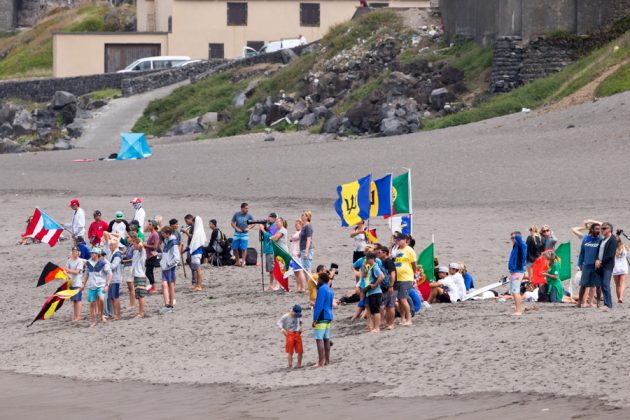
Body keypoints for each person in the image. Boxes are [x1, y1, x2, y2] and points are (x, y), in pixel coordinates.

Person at [82, 247, 112, 327]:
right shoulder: (88, 263)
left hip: (101, 284)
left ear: (97, 254)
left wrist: (107, 285)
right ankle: (93, 320)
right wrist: (83, 284)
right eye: (91, 253)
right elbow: (86, 275)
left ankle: (102, 315)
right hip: (91, 285)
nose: (91, 254)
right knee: (92, 303)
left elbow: (110, 274)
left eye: (93, 253)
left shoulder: (103, 263)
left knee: (101, 299)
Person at [393, 233, 416, 326]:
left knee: (403, 299)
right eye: (396, 240)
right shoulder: (398, 250)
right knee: (399, 299)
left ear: (405, 240)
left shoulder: (409, 250)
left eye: (399, 239)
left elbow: (414, 264)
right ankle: (402, 318)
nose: (397, 241)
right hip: (398, 278)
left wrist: (413, 276)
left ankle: (408, 318)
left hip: (406, 278)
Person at [577, 223, 602, 308]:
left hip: (597, 266)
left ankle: (598, 303)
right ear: (591, 230)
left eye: (599, 229)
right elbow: (582, 252)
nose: (598, 230)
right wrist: (579, 264)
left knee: (598, 285)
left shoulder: (601, 240)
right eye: (596, 229)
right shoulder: (585, 239)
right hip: (586, 265)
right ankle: (579, 303)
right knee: (583, 285)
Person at [312, 272, 333, 368]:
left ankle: (321, 362)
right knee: (326, 339)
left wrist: (315, 319)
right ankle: (327, 360)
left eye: (318, 279)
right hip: (329, 316)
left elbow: (319, 305)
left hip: (322, 316)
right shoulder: (330, 289)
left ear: (321, 280)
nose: (317, 281)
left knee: (319, 339)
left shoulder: (321, 289)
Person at [159, 226, 181, 313]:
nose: (162, 235)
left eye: (163, 233)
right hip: (164, 266)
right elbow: (166, 254)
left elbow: (176, 258)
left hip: (170, 267)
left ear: (168, 233)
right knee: (164, 285)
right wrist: (159, 255)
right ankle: (167, 304)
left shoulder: (173, 242)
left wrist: (168, 264)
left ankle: (171, 305)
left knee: (171, 285)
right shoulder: (166, 240)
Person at [596, 222, 617, 310]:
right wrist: (597, 260)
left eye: (604, 229)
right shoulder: (602, 240)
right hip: (600, 265)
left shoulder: (612, 239)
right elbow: (598, 251)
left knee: (605, 284)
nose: (602, 230)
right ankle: (606, 303)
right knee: (602, 285)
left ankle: (608, 304)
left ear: (610, 229)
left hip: (607, 265)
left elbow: (610, 254)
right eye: (601, 228)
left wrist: (600, 261)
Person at [375, 245, 397, 330]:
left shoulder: (389, 262)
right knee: (385, 306)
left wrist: (391, 285)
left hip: (390, 286)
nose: (378, 254)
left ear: (385, 253)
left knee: (390, 306)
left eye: (379, 252)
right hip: (383, 287)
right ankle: (387, 323)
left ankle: (391, 324)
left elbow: (393, 274)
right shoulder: (381, 262)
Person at [276, 304, 303, 369]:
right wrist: (282, 330)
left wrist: (301, 327)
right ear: (293, 311)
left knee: (300, 351)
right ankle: (290, 365)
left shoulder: (298, 315)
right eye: (296, 314)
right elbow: (278, 323)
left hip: (297, 333)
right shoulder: (286, 316)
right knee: (290, 351)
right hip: (290, 334)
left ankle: (299, 365)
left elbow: (301, 321)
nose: (297, 316)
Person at [184, 215, 207, 291]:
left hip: (197, 252)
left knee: (198, 269)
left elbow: (197, 243)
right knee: (196, 269)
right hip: (194, 252)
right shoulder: (197, 231)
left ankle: (199, 285)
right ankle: (197, 284)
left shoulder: (198, 232)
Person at [363, 252, 384, 333]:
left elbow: (381, 276)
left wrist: (375, 285)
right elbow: (364, 275)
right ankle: (375, 327)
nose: (366, 260)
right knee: (373, 310)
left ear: (371, 259)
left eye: (367, 258)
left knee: (376, 311)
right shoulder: (371, 267)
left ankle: (377, 327)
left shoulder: (375, 267)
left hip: (375, 292)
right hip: (371, 292)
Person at [508, 231, 527, 316]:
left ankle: (519, 311)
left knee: (516, 292)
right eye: (511, 238)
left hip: (518, 271)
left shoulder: (522, 245)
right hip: (514, 271)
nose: (512, 239)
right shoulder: (515, 246)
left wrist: (517, 236)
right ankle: (518, 308)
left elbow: (519, 239)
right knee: (514, 292)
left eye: (514, 237)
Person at [231, 203, 255, 267]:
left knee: (243, 248)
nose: (247, 209)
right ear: (242, 208)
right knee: (234, 247)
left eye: (248, 208)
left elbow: (254, 223)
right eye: (246, 208)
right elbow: (232, 223)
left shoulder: (249, 215)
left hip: (245, 234)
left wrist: (249, 228)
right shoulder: (236, 214)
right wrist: (236, 228)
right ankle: (237, 261)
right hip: (237, 233)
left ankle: (243, 261)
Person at [295, 210, 314, 293]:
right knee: (305, 268)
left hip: (307, 249)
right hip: (303, 249)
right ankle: (309, 286)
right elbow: (302, 239)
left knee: (307, 269)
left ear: (307, 217)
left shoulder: (308, 226)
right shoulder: (304, 226)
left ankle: (311, 287)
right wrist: (300, 251)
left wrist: (306, 251)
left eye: (303, 215)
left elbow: (308, 239)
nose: (302, 216)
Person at [65, 246, 84, 321]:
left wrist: (68, 270)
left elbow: (76, 272)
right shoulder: (69, 260)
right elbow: (64, 269)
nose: (74, 253)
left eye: (76, 252)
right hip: (71, 283)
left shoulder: (79, 261)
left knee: (78, 300)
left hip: (78, 283)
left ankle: (78, 316)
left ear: (78, 253)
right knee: (74, 300)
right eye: (73, 252)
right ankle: (75, 316)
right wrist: (67, 274)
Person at [130, 235, 147, 318]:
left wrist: (139, 242)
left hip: (140, 275)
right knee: (138, 295)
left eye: (134, 244)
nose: (133, 246)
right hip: (136, 275)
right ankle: (140, 311)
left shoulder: (141, 251)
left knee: (141, 295)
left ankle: (141, 312)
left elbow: (141, 246)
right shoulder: (135, 252)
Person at [260, 213, 279, 290]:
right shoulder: (270, 226)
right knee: (270, 269)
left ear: (274, 218)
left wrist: (263, 230)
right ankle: (271, 284)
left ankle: (275, 284)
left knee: (272, 268)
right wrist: (264, 229)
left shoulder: (274, 226)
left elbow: (270, 237)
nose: (268, 218)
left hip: (271, 250)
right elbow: (263, 237)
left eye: (270, 217)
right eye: (268, 217)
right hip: (267, 249)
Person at [106, 239, 123, 320]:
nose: (110, 247)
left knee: (115, 297)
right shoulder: (111, 253)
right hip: (111, 279)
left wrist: (106, 263)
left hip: (115, 278)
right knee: (111, 297)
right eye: (110, 245)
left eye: (112, 245)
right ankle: (114, 313)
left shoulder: (117, 254)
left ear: (116, 245)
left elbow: (113, 266)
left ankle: (118, 314)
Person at [144, 220, 160, 293]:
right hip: (149, 255)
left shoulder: (155, 234)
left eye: (150, 224)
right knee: (148, 272)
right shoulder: (151, 234)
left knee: (149, 272)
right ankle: (152, 286)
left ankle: (154, 287)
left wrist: (145, 245)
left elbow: (155, 246)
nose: (148, 225)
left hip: (152, 256)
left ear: (153, 226)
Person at [613, 233, 627, 304]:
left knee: (617, 284)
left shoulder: (612, 249)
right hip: (623, 268)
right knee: (622, 284)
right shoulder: (624, 248)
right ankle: (621, 297)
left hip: (615, 268)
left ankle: (619, 298)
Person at [289, 219, 303, 289]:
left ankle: (302, 286)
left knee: (299, 271)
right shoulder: (297, 232)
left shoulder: (300, 232)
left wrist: (292, 237)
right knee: (295, 272)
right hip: (293, 254)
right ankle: (298, 286)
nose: (296, 225)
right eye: (295, 224)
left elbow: (294, 237)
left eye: (297, 224)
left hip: (297, 253)